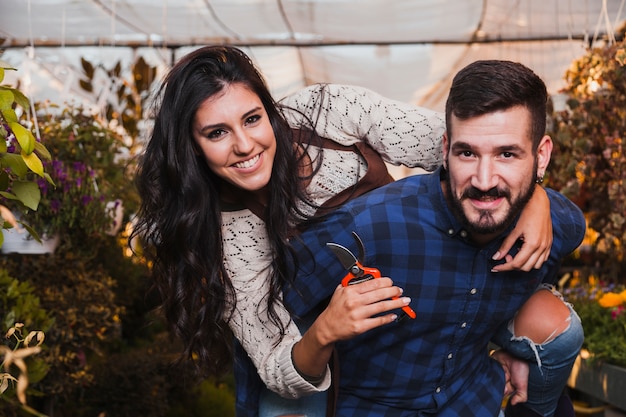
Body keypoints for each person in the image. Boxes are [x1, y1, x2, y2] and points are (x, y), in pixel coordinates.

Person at [131, 46, 553, 414]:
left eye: (252, 118)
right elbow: (278, 367)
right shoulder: (228, 236)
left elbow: (469, 151)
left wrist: (536, 195)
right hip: (327, 345)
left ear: (269, 111)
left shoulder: (327, 112)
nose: (244, 145)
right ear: (192, 147)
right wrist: (327, 330)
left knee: (559, 329)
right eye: (217, 133)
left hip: (422, 285)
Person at [281, 60, 586, 417]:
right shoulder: (371, 225)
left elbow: (573, 224)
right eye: (467, 153)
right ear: (445, 150)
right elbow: (274, 309)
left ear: (541, 156)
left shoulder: (553, 223)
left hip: (475, 403)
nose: (485, 180)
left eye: (507, 154)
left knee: (561, 327)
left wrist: (540, 198)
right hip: (375, 409)